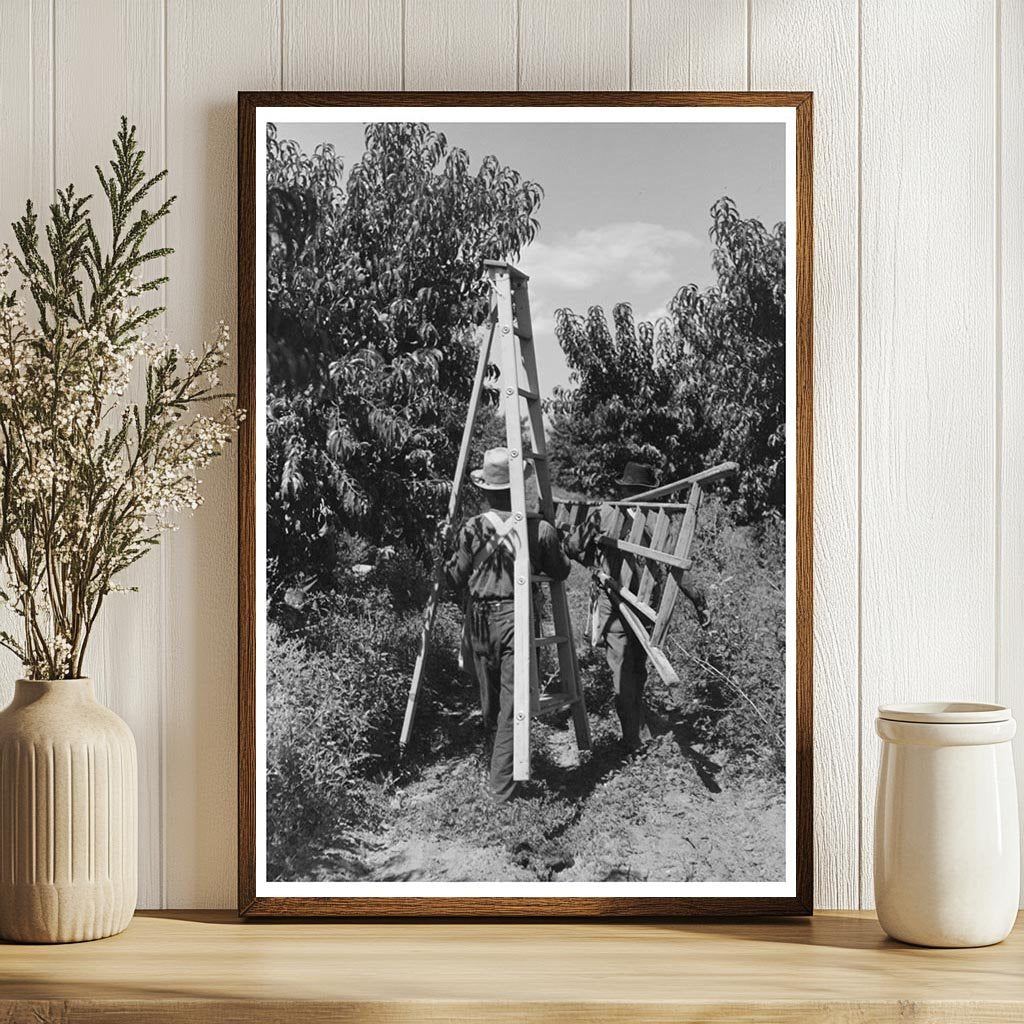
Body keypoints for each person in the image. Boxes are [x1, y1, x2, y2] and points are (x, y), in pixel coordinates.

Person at [444, 447, 572, 803]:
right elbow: (561, 570)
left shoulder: (470, 529)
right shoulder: (537, 529)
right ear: (518, 487)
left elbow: (455, 577)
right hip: (516, 617)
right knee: (510, 705)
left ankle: (498, 776)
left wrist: (442, 550)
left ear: (485, 490)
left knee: (492, 702)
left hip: (480, 621)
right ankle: (501, 788)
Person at [564, 461, 711, 751]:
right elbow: (574, 547)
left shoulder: (631, 517)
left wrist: (698, 599)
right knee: (625, 670)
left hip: (636, 606)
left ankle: (636, 728)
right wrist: (597, 566)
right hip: (624, 606)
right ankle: (633, 736)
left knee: (633, 669)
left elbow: (571, 547)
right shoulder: (630, 516)